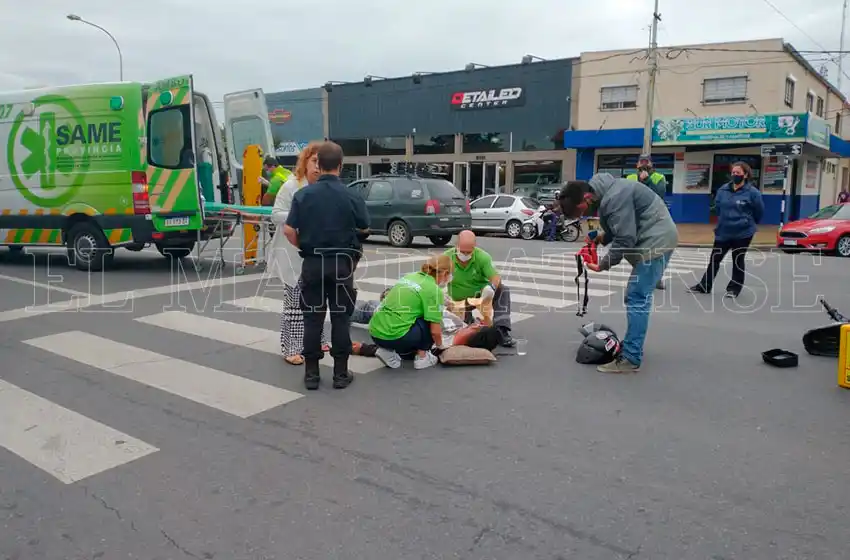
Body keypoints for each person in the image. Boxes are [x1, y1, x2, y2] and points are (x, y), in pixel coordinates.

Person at [558, 173, 678, 373]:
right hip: (655, 237)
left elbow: (625, 238)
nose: (584, 216)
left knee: (637, 296)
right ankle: (633, 345)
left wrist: (603, 264)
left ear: (587, 198)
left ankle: (631, 357)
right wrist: (600, 239)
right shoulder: (606, 192)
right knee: (638, 296)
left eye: (581, 212)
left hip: (656, 242)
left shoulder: (614, 198)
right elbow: (620, 225)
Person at [283, 141, 370, 390]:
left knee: (312, 319)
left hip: (313, 263)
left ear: (318, 165)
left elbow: (289, 230)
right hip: (342, 265)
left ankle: (311, 375)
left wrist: (304, 247)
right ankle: (340, 374)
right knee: (341, 319)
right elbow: (364, 226)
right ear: (340, 166)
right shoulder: (352, 195)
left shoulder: (302, 195)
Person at [268, 142, 330, 366]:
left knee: (318, 300)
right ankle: (291, 346)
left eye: (321, 162)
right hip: (291, 252)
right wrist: (299, 215)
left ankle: (318, 338)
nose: (317, 166)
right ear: (304, 162)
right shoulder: (291, 186)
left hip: (317, 254)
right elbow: (276, 215)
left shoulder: (325, 188)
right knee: (294, 301)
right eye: (313, 161)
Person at [687, 162, 764, 299]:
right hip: (723, 231)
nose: (735, 175)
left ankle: (733, 289)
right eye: (733, 173)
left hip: (743, 233)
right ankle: (705, 285)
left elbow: (759, 212)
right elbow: (717, 208)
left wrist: (747, 223)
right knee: (714, 259)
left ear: (745, 175)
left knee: (737, 260)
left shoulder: (753, 193)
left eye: (738, 173)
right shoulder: (723, 190)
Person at [368, 255, 453, 370]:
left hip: (375, 332)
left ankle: (386, 351)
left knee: (409, 316)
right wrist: (440, 346)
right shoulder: (433, 290)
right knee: (431, 319)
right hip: (396, 337)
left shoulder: (410, 276)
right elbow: (435, 331)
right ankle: (422, 357)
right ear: (445, 273)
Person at [444, 230, 516, 347]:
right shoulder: (446, 257)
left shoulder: (482, 257)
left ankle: (501, 330)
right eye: (462, 252)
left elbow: (495, 277)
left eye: (469, 252)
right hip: (458, 302)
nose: (465, 255)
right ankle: (467, 320)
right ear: (456, 246)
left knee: (503, 290)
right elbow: (432, 278)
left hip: (480, 297)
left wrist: (491, 287)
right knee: (463, 330)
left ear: (474, 248)